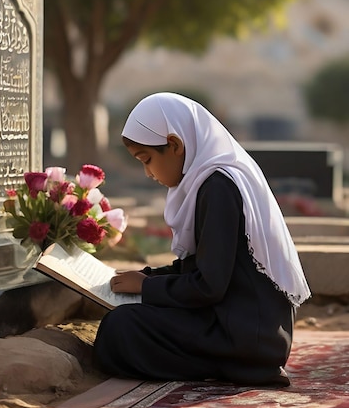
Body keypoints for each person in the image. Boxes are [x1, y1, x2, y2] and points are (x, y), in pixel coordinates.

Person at [93, 92, 311, 386]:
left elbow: (208, 285)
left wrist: (147, 286)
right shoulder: (210, 182)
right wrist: (146, 277)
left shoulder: (218, 187)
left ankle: (241, 367)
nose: (147, 172)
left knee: (121, 327)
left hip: (244, 335)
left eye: (147, 160)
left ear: (174, 144)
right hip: (246, 327)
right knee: (129, 321)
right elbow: (201, 266)